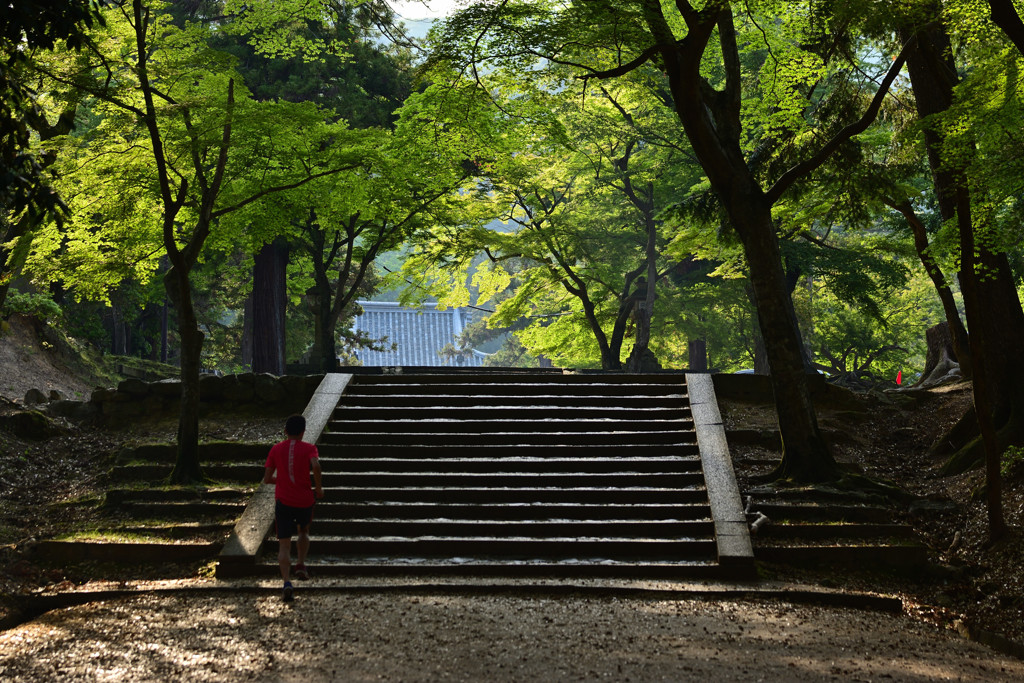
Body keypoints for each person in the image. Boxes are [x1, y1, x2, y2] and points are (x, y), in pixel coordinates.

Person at [264, 414, 323, 602]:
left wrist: (281, 481)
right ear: (303, 432)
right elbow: (316, 465)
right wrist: (319, 488)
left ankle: (287, 582)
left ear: (285, 431)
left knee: (284, 543)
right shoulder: (309, 448)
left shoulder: (276, 449)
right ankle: (301, 564)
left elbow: (267, 478)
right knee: (304, 531)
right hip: (304, 500)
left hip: (284, 501)